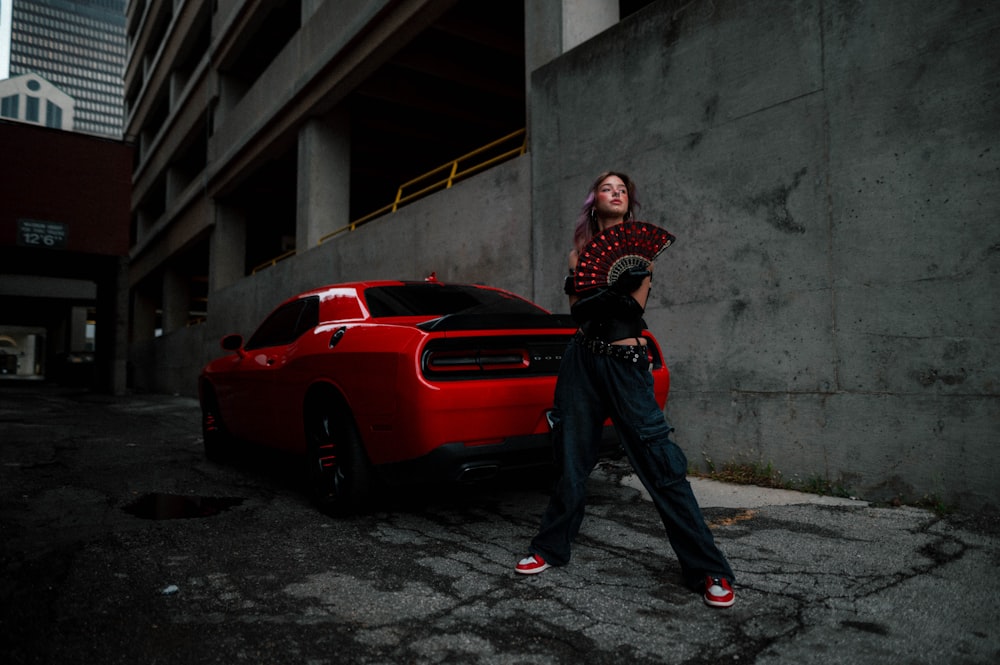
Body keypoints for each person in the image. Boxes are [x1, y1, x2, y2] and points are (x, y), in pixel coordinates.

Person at [515, 171, 736, 608]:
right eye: (606, 188)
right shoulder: (577, 254)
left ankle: (709, 568)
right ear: (593, 202)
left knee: (659, 462)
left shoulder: (642, 253)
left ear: (628, 205)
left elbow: (632, 309)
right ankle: (549, 548)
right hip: (581, 362)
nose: (615, 193)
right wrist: (603, 290)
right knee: (572, 461)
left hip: (625, 362)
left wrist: (609, 290)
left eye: (622, 190)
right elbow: (580, 316)